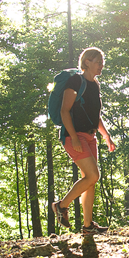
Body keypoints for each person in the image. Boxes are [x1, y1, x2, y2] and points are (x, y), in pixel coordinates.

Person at [52, 47, 117, 235]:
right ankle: (61, 205)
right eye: (98, 62)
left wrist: (106, 135)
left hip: (90, 136)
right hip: (74, 136)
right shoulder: (75, 82)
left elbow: (95, 116)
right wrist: (73, 137)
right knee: (92, 176)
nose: (101, 66)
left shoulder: (95, 85)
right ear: (87, 62)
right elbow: (65, 111)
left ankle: (88, 226)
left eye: (102, 63)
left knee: (91, 180)